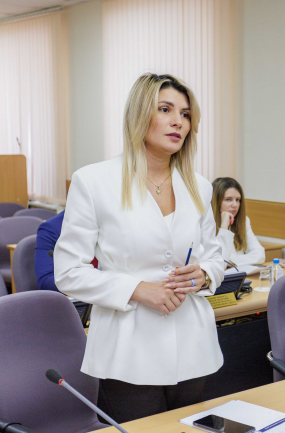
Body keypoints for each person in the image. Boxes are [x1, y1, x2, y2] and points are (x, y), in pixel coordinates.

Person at [54, 73, 225, 422]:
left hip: (193, 345)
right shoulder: (94, 181)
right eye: (165, 109)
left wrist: (204, 275)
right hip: (127, 349)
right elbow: (68, 272)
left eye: (185, 114)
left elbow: (215, 257)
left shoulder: (200, 186)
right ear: (139, 115)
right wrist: (137, 289)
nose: (178, 121)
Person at [211, 177, 265, 266]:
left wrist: (231, 262)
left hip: (237, 271)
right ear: (216, 201)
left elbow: (260, 254)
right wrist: (224, 227)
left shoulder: (244, 221)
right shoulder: (206, 224)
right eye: (228, 199)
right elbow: (219, 263)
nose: (235, 205)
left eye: (238, 200)